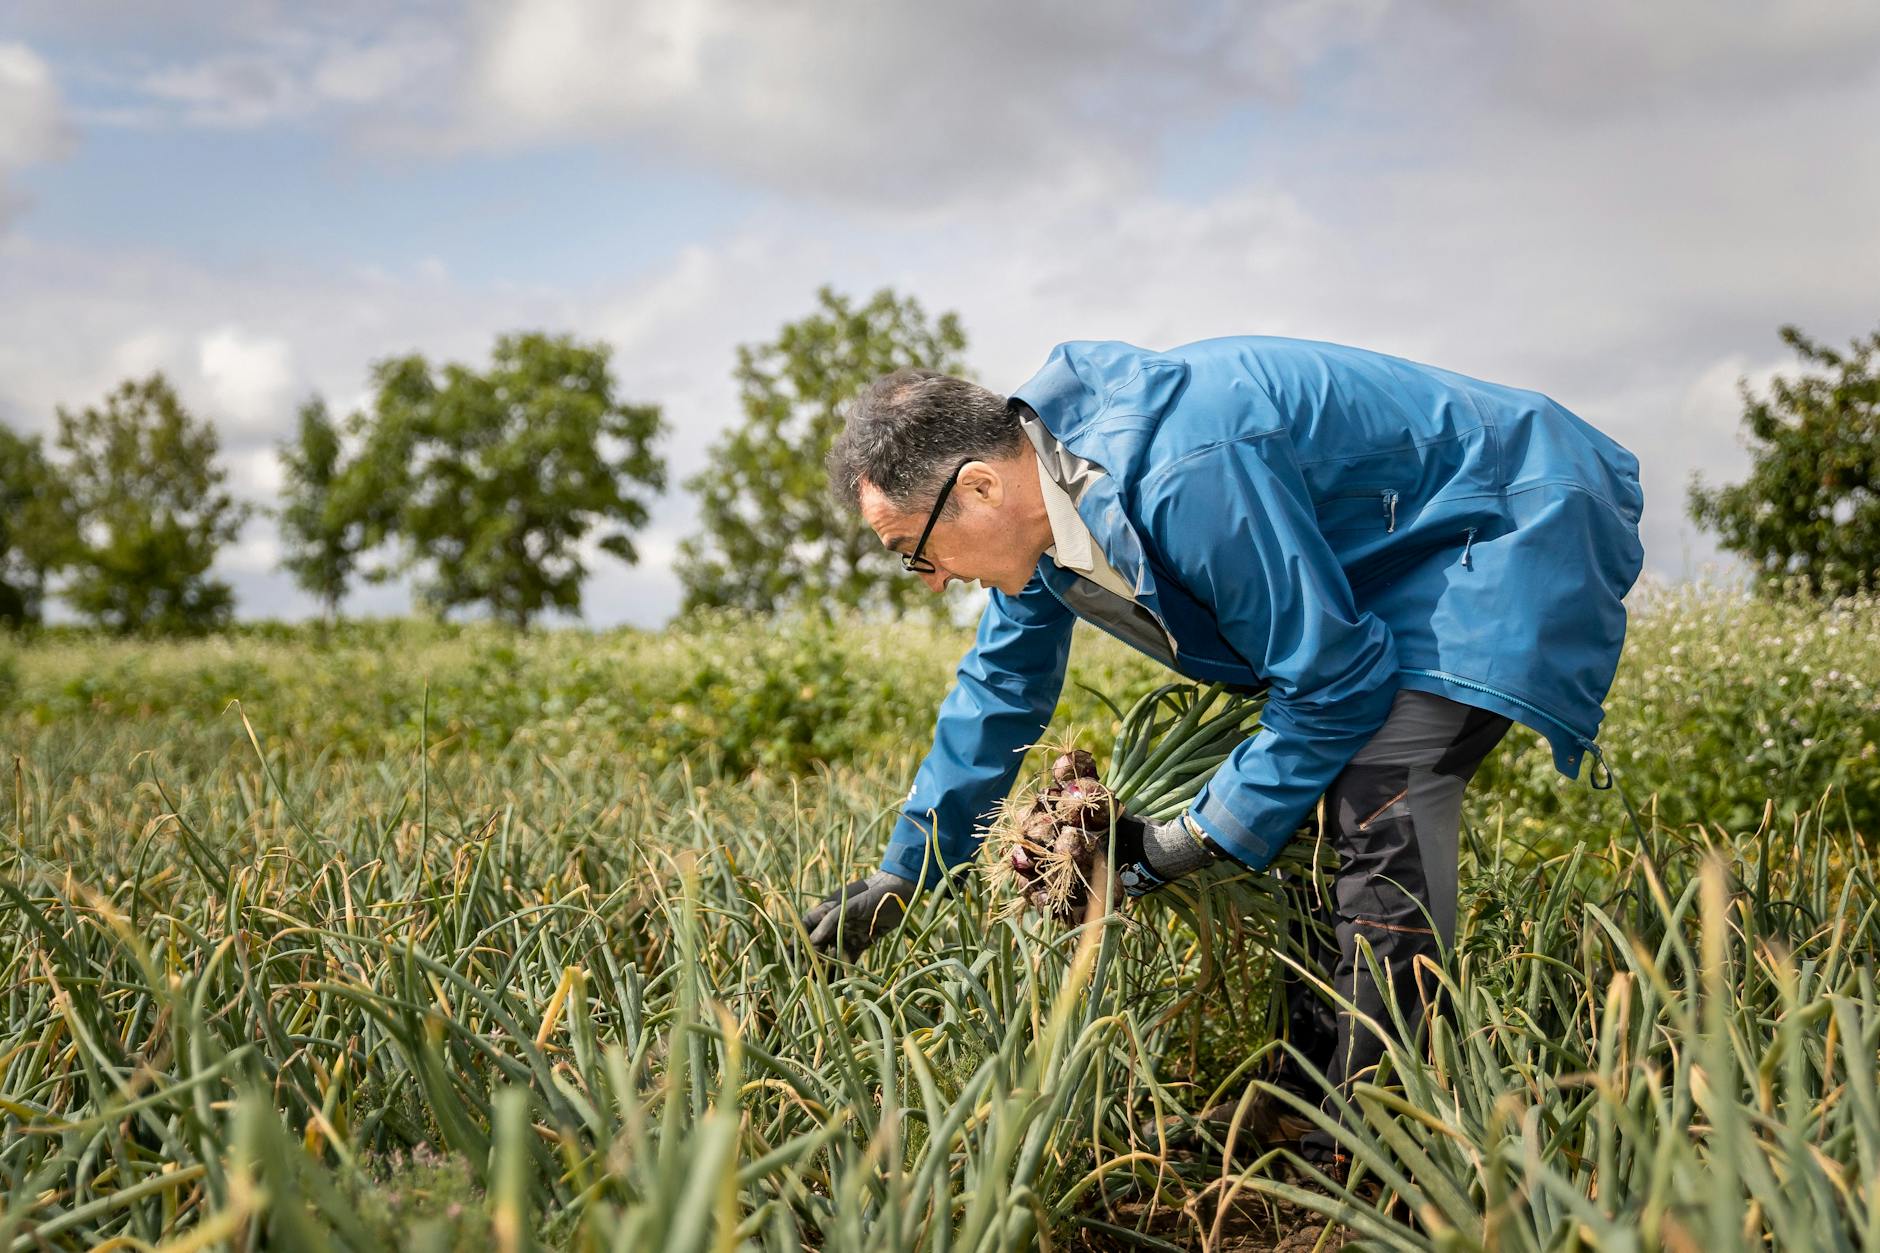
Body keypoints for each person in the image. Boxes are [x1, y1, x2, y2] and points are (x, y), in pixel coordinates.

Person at [802, 335, 1644, 1162]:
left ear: (979, 485)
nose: (934, 576)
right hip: (1394, 567)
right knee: (1313, 809)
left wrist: (1179, 842)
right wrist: (904, 873)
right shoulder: (1043, 515)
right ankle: (1307, 1101)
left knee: (1378, 789)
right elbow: (998, 692)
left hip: (1504, 520)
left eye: (913, 550)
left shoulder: (1179, 469)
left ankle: (1380, 1141)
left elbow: (1333, 683)